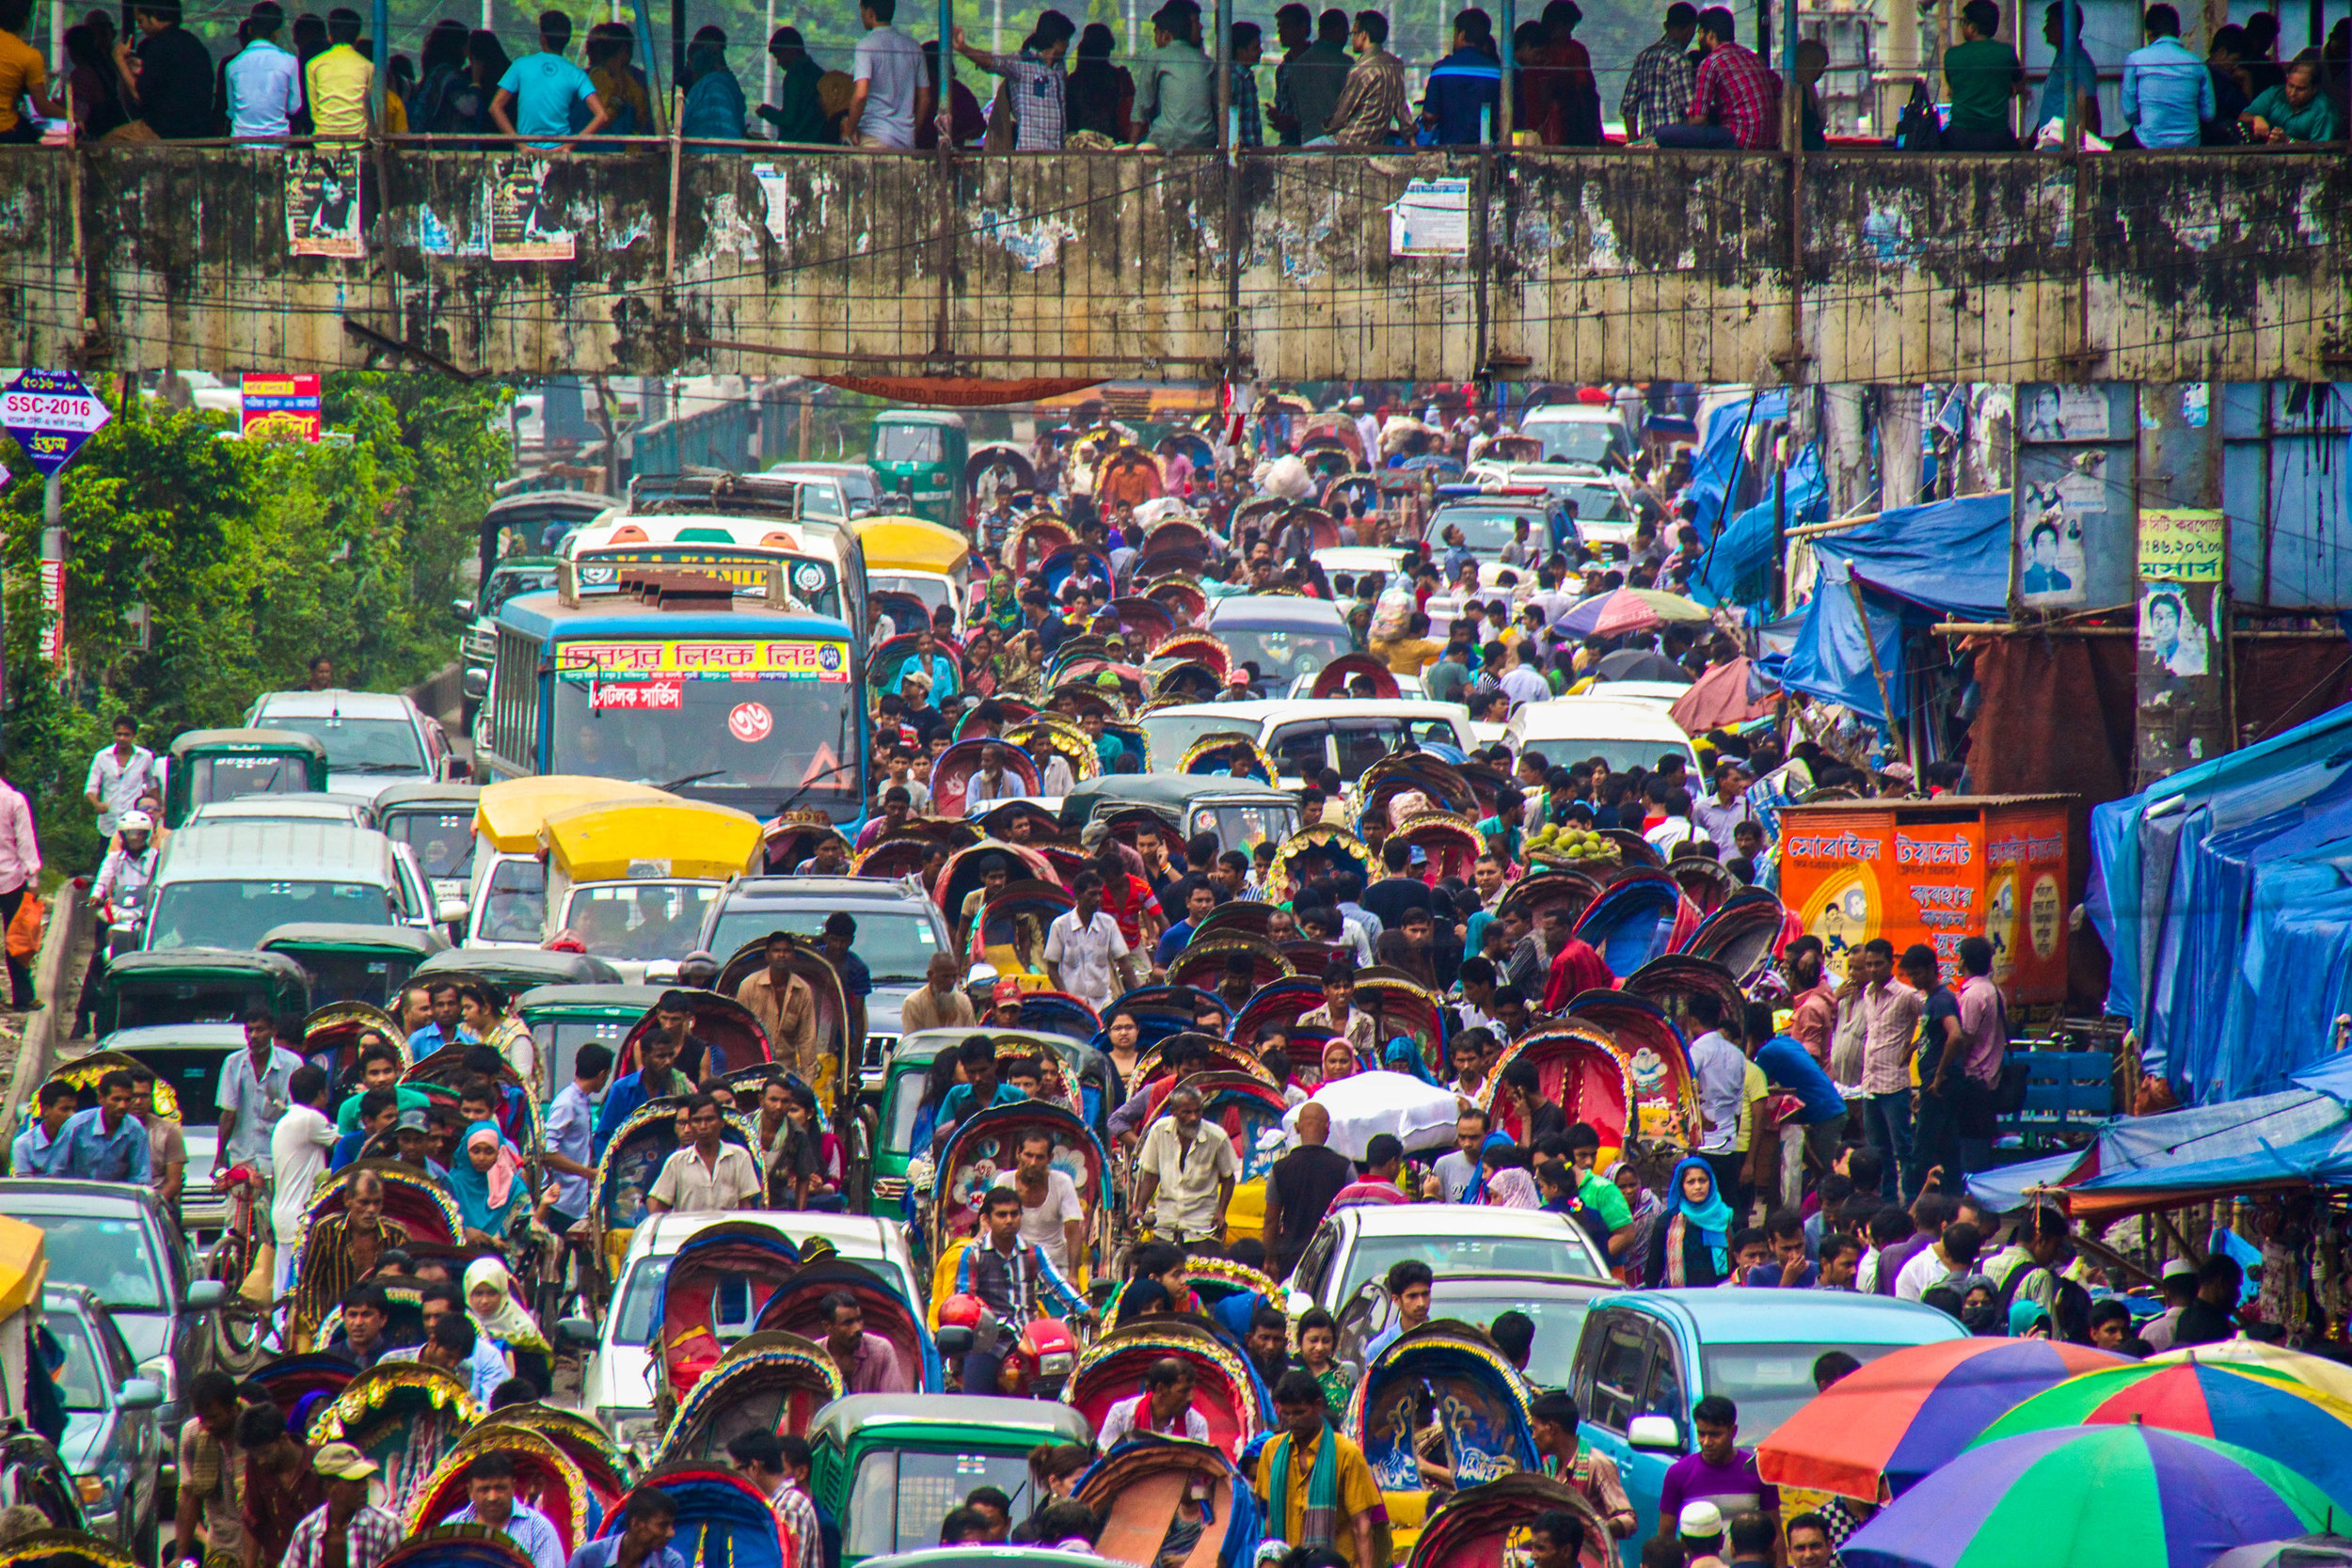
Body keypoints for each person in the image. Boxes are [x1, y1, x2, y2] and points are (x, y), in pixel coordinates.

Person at [951, 1187, 1088, 1389]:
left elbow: (1057, 1284)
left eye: (1014, 1214)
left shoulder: (1033, 1252)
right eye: (1001, 1215)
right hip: (988, 1344)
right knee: (976, 1403)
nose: (1009, 1220)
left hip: (1029, 1341)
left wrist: (1084, 1309)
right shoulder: (973, 1254)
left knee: (1065, 1387)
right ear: (987, 1219)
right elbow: (964, 1301)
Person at [1257, 1370, 1389, 1567]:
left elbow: (1361, 1526)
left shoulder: (1346, 1453)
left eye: (1299, 1412)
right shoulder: (1271, 1451)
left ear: (1317, 1405)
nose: (1292, 1420)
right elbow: (1269, 1519)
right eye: (1287, 1413)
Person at [1851, 938, 1923, 1199]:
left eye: (1877, 964)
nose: (1872, 970)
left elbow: (1936, 1019)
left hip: (1894, 1084)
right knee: (1878, 1152)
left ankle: (1912, 1201)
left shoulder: (1906, 995)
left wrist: (1915, 1045)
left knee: (1903, 1148)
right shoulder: (1867, 994)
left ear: (1890, 964)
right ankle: (1887, 1202)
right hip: (1870, 1084)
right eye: (1868, 964)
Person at [1657, 6, 1778, 149]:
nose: (1699, 39)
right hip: (1767, 140)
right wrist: (1780, 130)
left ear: (1711, 35)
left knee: (1664, 134)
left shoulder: (1711, 63)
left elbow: (1698, 119)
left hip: (1739, 139)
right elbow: (1780, 91)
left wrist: (1685, 125)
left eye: (1701, 33)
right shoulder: (1753, 57)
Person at [1655, 1396, 1768, 1542]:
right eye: (1701, 1434)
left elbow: (1775, 1534)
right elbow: (1665, 1538)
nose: (1707, 1442)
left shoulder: (1757, 1470)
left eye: (1715, 1434)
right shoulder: (1678, 1474)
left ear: (1733, 1432)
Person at [1134, 1086, 1239, 1242]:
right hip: (1165, 1221)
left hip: (1202, 1224)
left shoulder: (1217, 1137)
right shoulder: (1158, 1131)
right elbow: (1151, 1175)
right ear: (1174, 1111)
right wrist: (1139, 1208)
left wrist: (1221, 1212)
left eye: (1198, 1111)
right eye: (1187, 1112)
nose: (1194, 1118)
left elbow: (1229, 1178)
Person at [492, 10, 612, 146]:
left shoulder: (521, 65)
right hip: (560, 153)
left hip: (527, 155)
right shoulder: (576, 73)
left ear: (542, 37)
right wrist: (569, 146)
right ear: (568, 39)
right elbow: (602, 115)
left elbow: (495, 107)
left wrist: (521, 145)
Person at [1263, 1101, 1354, 1278]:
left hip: (1291, 1259)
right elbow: (1353, 1212)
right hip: (1332, 1255)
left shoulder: (1280, 1169)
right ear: (1327, 1130)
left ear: (1297, 1128)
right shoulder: (1344, 1168)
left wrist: (1269, 1259)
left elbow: (1271, 1221)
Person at [1529, 1391, 1635, 1539]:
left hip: (1590, 1557)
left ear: (1552, 1429)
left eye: (1534, 1429)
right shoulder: (1552, 1464)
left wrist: (1588, 1531)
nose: (1532, 1436)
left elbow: (1628, 1519)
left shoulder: (1596, 1463)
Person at [267, 1064, 338, 1285]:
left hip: (282, 1211)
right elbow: (343, 1143)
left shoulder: (287, 1119)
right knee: (299, 1282)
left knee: (282, 1280)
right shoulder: (311, 1119)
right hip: (300, 1214)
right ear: (321, 1092)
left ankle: (277, 1320)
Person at [216, 1006, 304, 1178]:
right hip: (241, 1157)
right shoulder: (233, 1063)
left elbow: (295, 1115)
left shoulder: (292, 1063)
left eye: (260, 1030)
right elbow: (228, 1113)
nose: (253, 1036)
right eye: (249, 1030)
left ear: (273, 1031)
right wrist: (219, 1158)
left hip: (277, 1157)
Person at [283, 1443, 402, 1568]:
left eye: (364, 1480)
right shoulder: (306, 1531)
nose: (364, 1487)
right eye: (354, 1482)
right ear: (329, 1486)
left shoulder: (387, 1525)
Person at [240, 1403, 327, 1568]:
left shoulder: (322, 1461)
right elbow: (254, 1521)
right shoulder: (256, 1465)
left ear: (283, 1438)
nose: (261, 1461)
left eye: (265, 1453)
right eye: (256, 1456)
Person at [113, 0, 215, 138]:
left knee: (105, 145)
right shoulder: (194, 44)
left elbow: (139, 95)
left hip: (164, 129)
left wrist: (119, 60)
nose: (139, 26)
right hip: (199, 128)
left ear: (154, 17)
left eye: (141, 21)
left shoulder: (159, 46)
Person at [991, 1127, 1086, 1273]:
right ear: (1018, 1153)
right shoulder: (1004, 1181)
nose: (1033, 1163)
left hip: (1055, 1266)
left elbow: (1073, 1233)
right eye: (1028, 1155)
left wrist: (1073, 1274)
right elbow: (992, 1226)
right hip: (1014, 1262)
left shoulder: (1062, 1183)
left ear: (1050, 1158)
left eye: (1040, 1157)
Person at [448, 1451, 565, 1568]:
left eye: (500, 1488)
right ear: (470, 1492)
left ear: (513, 1487)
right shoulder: (452, 1526)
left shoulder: (537, 1529)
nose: (492, 1497)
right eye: (484, 1489)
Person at [648, 1094, 762, 1213]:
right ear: (691, 1125)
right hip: (689, 1230)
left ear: (722, 1123)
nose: (703, 1126)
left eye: (709, 1119)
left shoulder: (739, 1156)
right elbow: (659, 1202)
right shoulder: (677, 1161)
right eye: (697, 1120)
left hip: (728, 1230)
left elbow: (746, 1203)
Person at [1044, 870, 1138, 1011]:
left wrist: (1137, 994)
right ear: (1077, 895)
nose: (1098, 899)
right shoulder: (1060, 925)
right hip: (1072, 1004)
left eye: (1100, 894)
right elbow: (1051, 969)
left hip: (1103, 1003)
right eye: (1092, 894)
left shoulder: (1108, 924)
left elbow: (1124, 963)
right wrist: (1067, 998)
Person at [2121, 4, 2213, 147]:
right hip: (2190, 143)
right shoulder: (2198, 64)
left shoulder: (2136, 59)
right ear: (2178, 32)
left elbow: (2130, 113)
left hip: (2148, 143)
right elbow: (2208, 114)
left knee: (2119, 147)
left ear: (2149, 33)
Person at [1131, 0, 1215, 148]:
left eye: (1155, 33)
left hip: (1168, 138)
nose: (1201, 27)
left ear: (1165, 36)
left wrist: (1131, 145)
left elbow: (1142, 104)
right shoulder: (1207, 62)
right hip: (1205, 139)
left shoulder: (1156, 57)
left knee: (1144, 143)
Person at [1322, 8, 1410, 145]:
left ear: (1364, 35)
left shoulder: (1361, 69)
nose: (1352, 37)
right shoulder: (1395, 65)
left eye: (1354, 33)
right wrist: (1412, 140)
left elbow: (1341, 117)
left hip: (1348, 141)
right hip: (1375, 143)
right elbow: (1402, 112)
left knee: (1298, 155)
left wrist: (1327, 126)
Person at [1942, 0, 2023, 147]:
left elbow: (1952, 89)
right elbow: (2020, 84)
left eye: (1963, 22)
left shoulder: (1952, 55)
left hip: (1959, 136)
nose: (1961, 26)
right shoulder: (2006, 52)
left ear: (1973, 28)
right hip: (1998, 136)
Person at [56, 1067, 154, 1183]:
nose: (123, 1105)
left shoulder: (135, 1129)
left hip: (116, 1198)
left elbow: (141, 1176)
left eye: (127, 1100)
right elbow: (56, 1169)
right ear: (101, 1098)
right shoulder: (76, 1126)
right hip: (78, 1196)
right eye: (116, 1099)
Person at [1645, 1157, 1733, 1288]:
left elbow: (1736, 1260)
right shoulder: (1667, 1220)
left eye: (1703, 1180)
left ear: (1711, 1182)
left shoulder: (1724, 1216)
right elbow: (1654, 1266)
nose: (1698, 1187)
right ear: (1681, 1187)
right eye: (1691, 1182)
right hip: (1679, 1298)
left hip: (1718, 1296)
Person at [847, 0, 925, 146]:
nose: (862, 16)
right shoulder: (914, 48)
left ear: (870, 13)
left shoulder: (866, 45)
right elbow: (925, 98)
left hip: (874, 137)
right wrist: (912, 133)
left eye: (862, 11)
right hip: (905, 142)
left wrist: (850, 129)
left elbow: (861, 94)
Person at [1621, 1, 1700, 137]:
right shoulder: (1679, 59)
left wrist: (1634, 144)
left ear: (1666, 26)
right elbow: (1691, 111)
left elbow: (1628, 107)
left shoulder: (1643, 57)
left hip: (1648, 144)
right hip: (1674, 144)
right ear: (1690, 29)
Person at [813, 1289, 911, 1393]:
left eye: (859, 1320)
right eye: (848, 1323)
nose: (858, 1328)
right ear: (827, 1326)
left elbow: (894, 1400)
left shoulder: (882, 1351)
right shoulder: (813, 1357)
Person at [1101, 1356, 1214, 1446]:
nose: (1191, 1398)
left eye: (1191, 1389)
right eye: (1183, 1391)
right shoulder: (1121, 1415)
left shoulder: (1196, 1423)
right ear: (1160, 1389)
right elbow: (1104, 1462)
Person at [566, 1490, 686, 1568]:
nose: (671, 1533)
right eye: (662, 1525)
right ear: (636, 1524)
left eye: (671, 1526)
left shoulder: (670, 1563)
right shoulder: (588, 1557)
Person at [2243, 50, 2340, 140]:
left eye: (2300, 89)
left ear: (2314, 89)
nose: (2293, 93)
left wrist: (2289, 142)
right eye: (2290, 86)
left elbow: (2321, 149)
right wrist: (2256, 118)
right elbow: (2242, 117)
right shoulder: (2274, 93)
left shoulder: (2324, 109)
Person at [305, 6, 372, 135]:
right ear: (358, 37)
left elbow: (314, 112)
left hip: (324, 140)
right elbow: (369, 109)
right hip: (357, 141)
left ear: (329, 36)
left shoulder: (313, 65)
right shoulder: (368, 66)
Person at [2173, 1253, 2242, 1345]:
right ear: (2220, 1283)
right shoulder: (2217, 1327)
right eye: (2235, 1286)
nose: (2239, 1294)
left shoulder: (2184, 1318)